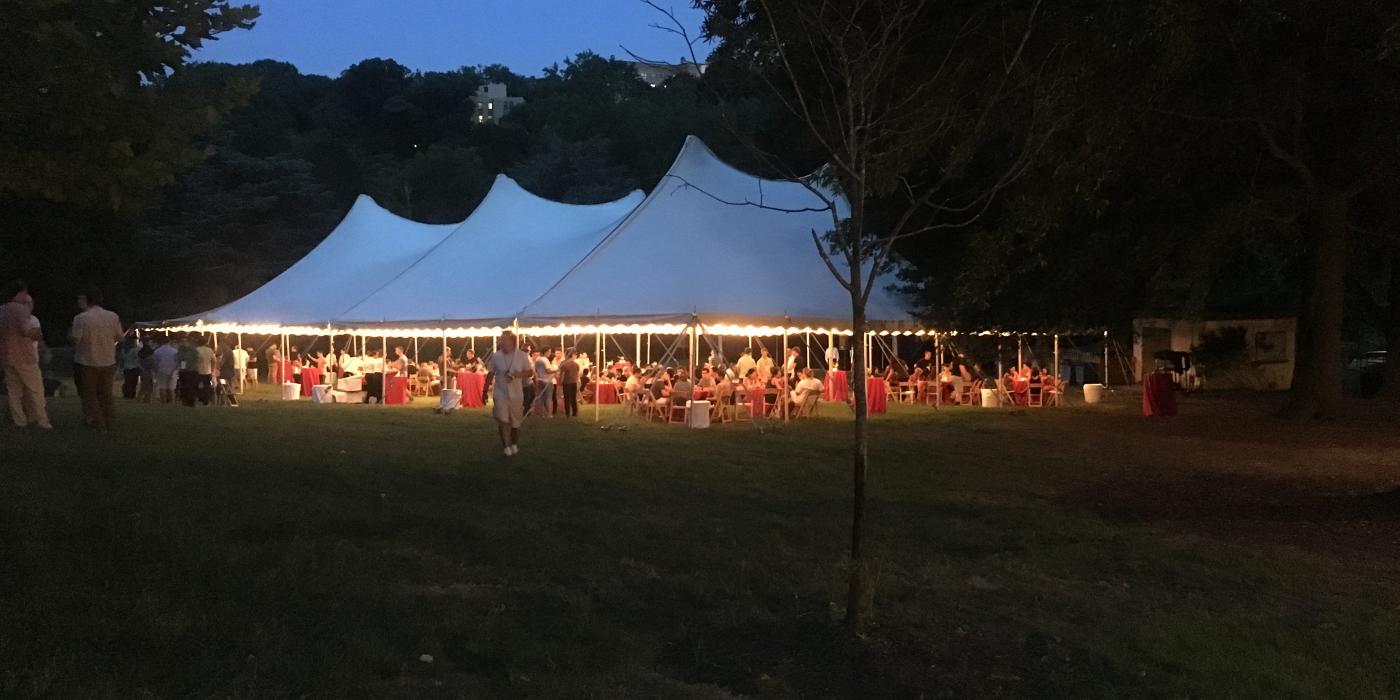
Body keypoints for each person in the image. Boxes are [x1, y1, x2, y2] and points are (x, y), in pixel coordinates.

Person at [68, 287, 124, 430]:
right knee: (106, 394)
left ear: (87, 299)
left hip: (87, 361)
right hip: (108, 360)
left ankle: (97, 423)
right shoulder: (112, 316)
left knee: (90, 394)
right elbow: (119, 336)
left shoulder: (81, 318)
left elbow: (75, 339)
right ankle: (109, 422)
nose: (79, 301)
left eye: (81, 298)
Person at [1, 282, 52, 429]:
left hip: (7, 356)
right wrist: (37, 334)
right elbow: (26, 331)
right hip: (24, 356)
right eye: (24, 293)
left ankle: (19, 421)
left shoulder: (2, 310)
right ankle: (42, 421)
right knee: (36, 389)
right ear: (19, 293)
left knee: (14, 391)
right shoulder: (21, 310)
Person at [485, 330, 530, 456]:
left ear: (512, 342)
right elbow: (490, 373)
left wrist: (517, 375)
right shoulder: (496, 356)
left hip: (517, 394)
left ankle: (514, 443)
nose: (501, 342)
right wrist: (484, 390)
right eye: (501, 339)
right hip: (500, 393)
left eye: (504, 340)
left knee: (515, 422)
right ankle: (506, 445)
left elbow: (529, 372)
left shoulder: (521, 355)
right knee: (503, 420)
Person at [153, 335, 179, 403]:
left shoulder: (157, 351)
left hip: (161, 369)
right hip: (173, 370)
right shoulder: (175, 351)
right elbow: (177, 362)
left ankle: (163, 401)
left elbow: (155, 362)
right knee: (171, 388)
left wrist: (156, 371)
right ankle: (172, 402)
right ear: (169, 342)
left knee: (162, 386)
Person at [531, 346, 555, 417]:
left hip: (539, 380)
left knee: (540, 398)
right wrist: (556, 370)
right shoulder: (545, 360)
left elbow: (536, 370)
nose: (550, 353)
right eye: (549, 352)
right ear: (546, 352)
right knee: (548, 398)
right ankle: (549, 414)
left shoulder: (538, 360)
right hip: (547, 381)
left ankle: (540, 413)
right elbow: (548, 370)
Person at [192, 335, 216, 405]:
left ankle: (198, 399)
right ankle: (206, 401)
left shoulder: (196, 350)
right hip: (207, 371)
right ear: (205, 342)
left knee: (196, 386)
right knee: (207, 387)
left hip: (198, 371)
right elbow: (214, 361)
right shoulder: (210, 350)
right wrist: (212, 370)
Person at [558, 348, 581, 418]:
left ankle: (567, 414)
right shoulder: (576, 364)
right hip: (574, 383)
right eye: (575, 354)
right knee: (573, 398)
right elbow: (577, 375)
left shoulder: (564, 364)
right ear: (572, 355)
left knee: (567, 398)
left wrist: (560, 383)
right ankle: (574, 413)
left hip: (566, 383)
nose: (576, 356)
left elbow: (562, 375)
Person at [136, 337, 156, 402]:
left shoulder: (140, 355)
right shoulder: (150, 357)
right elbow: (153, 366)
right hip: (149, 372)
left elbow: (138, 363)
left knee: (143, 386)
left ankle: (141, 398)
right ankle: (146, 399)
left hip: (142, 372)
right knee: (149, 387)